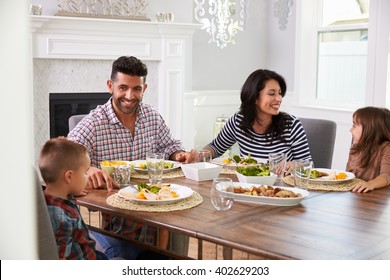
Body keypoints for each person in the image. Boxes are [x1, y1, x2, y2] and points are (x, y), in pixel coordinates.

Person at [68, 55, 193, 259]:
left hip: (152, 210)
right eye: (123, 87)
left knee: (177, 244)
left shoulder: (151, 116)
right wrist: (88, 168)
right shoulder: (94, 122)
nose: (130, 95)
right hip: (111, 221)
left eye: (136, 89)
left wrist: (179, 154)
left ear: (144, 89)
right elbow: (67, 154)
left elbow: (170, 145)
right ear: (111, 86)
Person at [203, 69, 312, 169]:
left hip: (281, 188)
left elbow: (308, 164)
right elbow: (215, 148)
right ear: (254, 97)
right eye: (271, 93)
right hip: (247, 187)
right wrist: (199, 155)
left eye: (280, 93)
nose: (279, 98)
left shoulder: (292, 125)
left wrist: (295, 164)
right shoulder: (238, 121)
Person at [38, 137, 108, 260]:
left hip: (91, 253)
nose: (87, 177)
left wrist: (72, 189)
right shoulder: (59, 217)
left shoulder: (53, 197)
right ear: (69, 176)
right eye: (85, 172)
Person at [348, 106, 390, 193]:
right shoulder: (356, 147)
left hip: (375, 198)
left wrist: (370, 184)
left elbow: (386, 176)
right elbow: (349, 175)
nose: (350, 130)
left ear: (370, 129)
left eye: (354, 126)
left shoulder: (386, 148)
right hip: (355, 194)